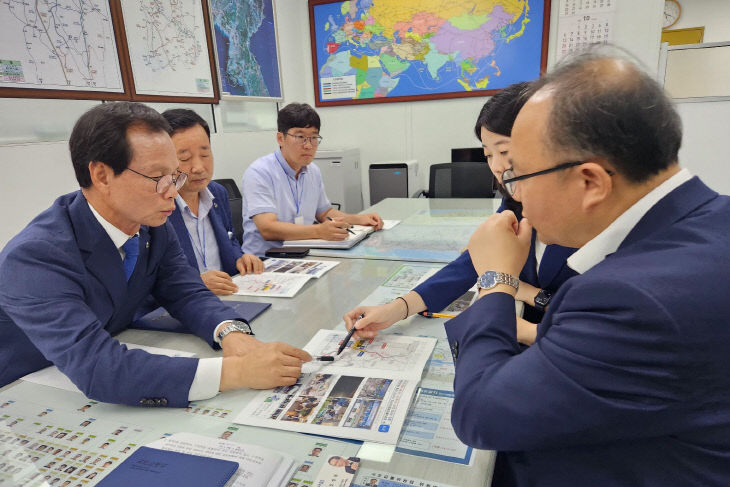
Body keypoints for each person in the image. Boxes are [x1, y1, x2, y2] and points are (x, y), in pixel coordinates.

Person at [431, 51, 730, 484]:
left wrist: (497, 281)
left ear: (590, 181)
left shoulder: (633, 300)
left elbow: (482, 415)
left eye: (519, 176)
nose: (515, 194)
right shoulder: (712, 218)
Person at [0, 102, 312, 406]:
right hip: (24, 393)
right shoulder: (35, 257)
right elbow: (99, 369)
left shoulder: (151, 225)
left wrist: (232, 334)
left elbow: (185, 291)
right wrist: (237, 371)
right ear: (101, 175)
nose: (173, 191)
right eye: (157, 178)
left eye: (175, 176)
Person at [343, 83, 577, 345]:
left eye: (505, 151)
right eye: (488, 155)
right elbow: (472, 262)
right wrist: (397, 309)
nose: (498, 167)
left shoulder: (584, 218)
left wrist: (525, 296)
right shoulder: (515, 199)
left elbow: (598, 323)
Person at [240, 103, 383, 256]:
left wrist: (358, 219)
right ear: (280, 138)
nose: (308, 145)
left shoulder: (312, 171)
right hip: (265, 260)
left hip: (304, 254)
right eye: (300, 137)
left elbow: (324, 213)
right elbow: (267, 229)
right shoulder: (260, 172)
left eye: (314, 138)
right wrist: (318, 231)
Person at [161, 108, 264, 295]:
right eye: (184, 158)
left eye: (205, 154)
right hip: (187, 305)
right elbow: (149, 279)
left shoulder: (217, 193)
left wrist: (241, 258)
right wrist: (195, 283)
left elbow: (229, 241)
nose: (199, 167)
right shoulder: (156, 205)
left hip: (229, 296)